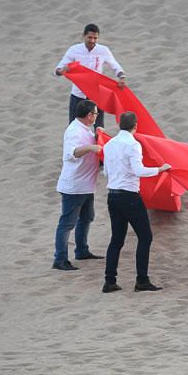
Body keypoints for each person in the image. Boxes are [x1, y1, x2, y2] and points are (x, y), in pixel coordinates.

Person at [102, 111, 170, 293]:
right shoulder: (133, 145)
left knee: (116, 239)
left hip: (112, 195)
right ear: (135, 126)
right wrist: (160, 169)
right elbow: (139, 170)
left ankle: (109, 281)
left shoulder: (109, 145)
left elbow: (106, 172)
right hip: (129, 196)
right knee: (145, 236)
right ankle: (142, 279)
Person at [52, 100, 105, 271]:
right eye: (96, 113)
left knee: (87, 217)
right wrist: (91, 147)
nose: (97, 116)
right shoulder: (74, 131)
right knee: (67, 223)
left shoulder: (84, 128)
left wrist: (97, 135)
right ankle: (60, 259)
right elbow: (71, 153)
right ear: (89, 115)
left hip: (85, 185)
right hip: (74, 187)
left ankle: (81, 250)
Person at [54, 23, 127, 126]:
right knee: (73, 126)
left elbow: (115, 66)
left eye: (95, 38)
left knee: (99, 126)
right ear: (84, 36)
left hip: (97, 94)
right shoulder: (74, 50)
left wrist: (122, 77)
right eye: (90, 37)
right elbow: (58, 70)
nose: (92, 41)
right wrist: (61, 71)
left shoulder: (103, 50)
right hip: (78, 94)